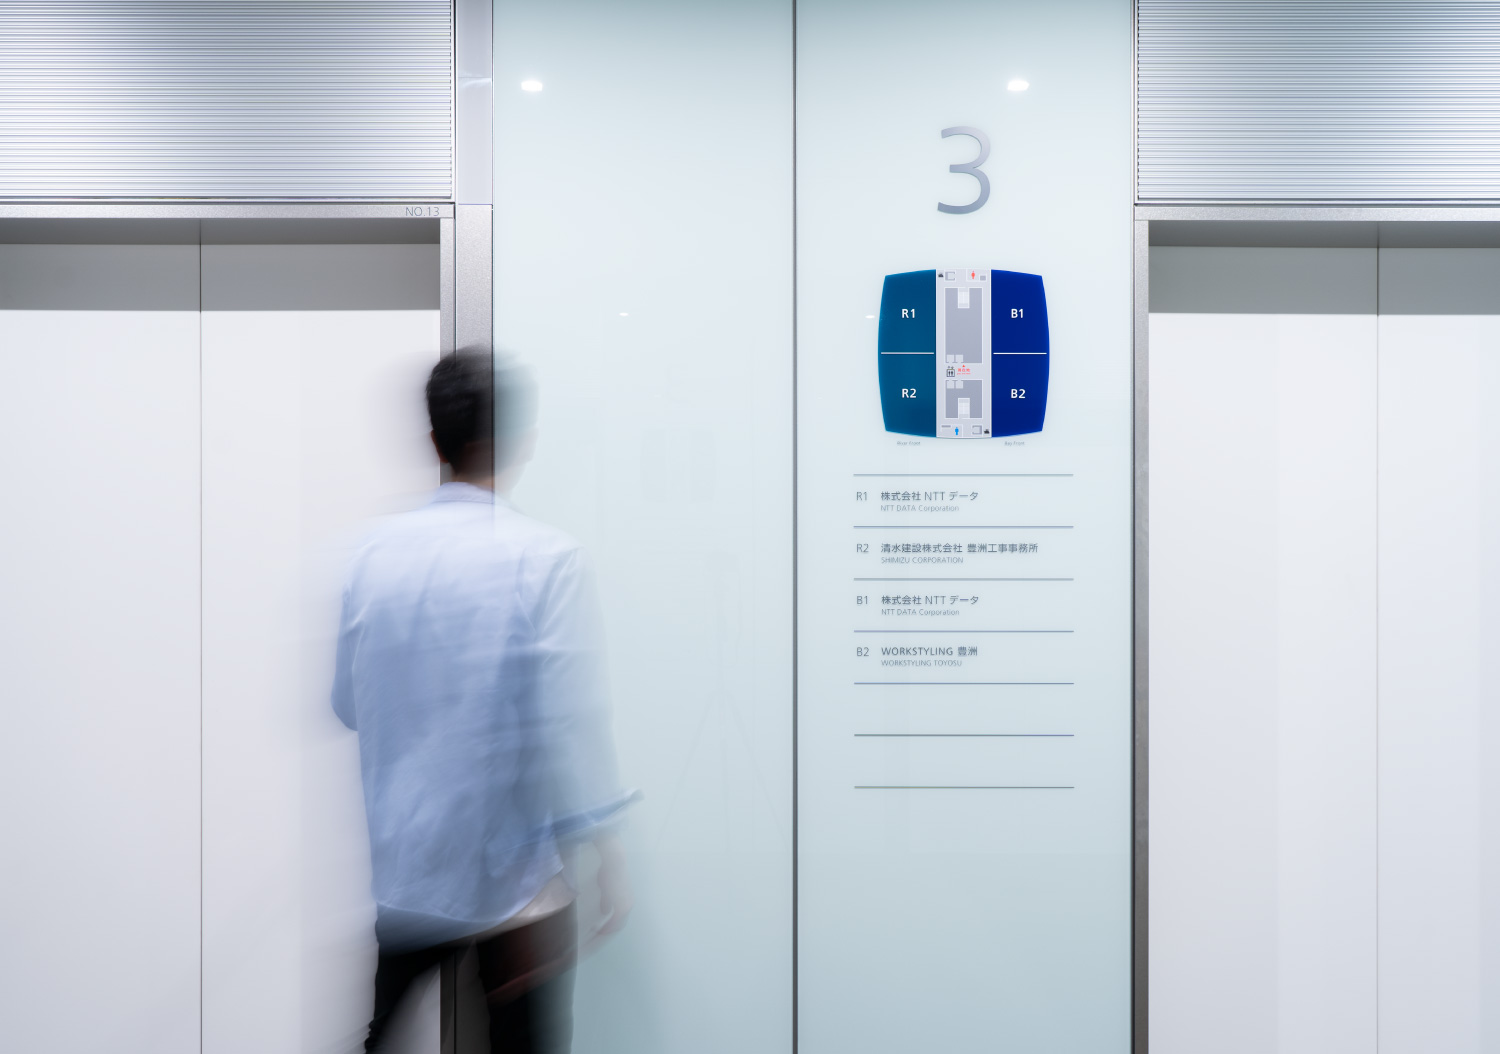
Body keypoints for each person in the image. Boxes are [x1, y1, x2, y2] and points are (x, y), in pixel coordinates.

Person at [332, 350, 633, 1053]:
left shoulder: (371, 557)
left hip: (409, 872)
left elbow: (348, 704)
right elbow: (570, 723)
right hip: (515, 888)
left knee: (382, 1040)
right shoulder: (548, 558)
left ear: (434, 440)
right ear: (521, 441)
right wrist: (607, 846)